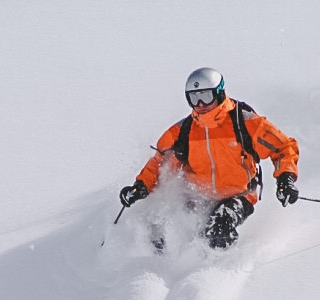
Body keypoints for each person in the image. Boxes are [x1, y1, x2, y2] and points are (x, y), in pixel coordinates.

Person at [119, 67, 300, 249]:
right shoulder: (183, 131)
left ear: (220, 93)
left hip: (238, 194)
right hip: (196, 196)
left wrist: (286, 179)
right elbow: (159, 163)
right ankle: (159, 269)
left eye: (206, 96)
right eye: (193, 98)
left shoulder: (245, 123)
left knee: (219, 228)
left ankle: (214, 269)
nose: (200, 104)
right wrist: (140, 187)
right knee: (161, 227)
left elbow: (284, 147)